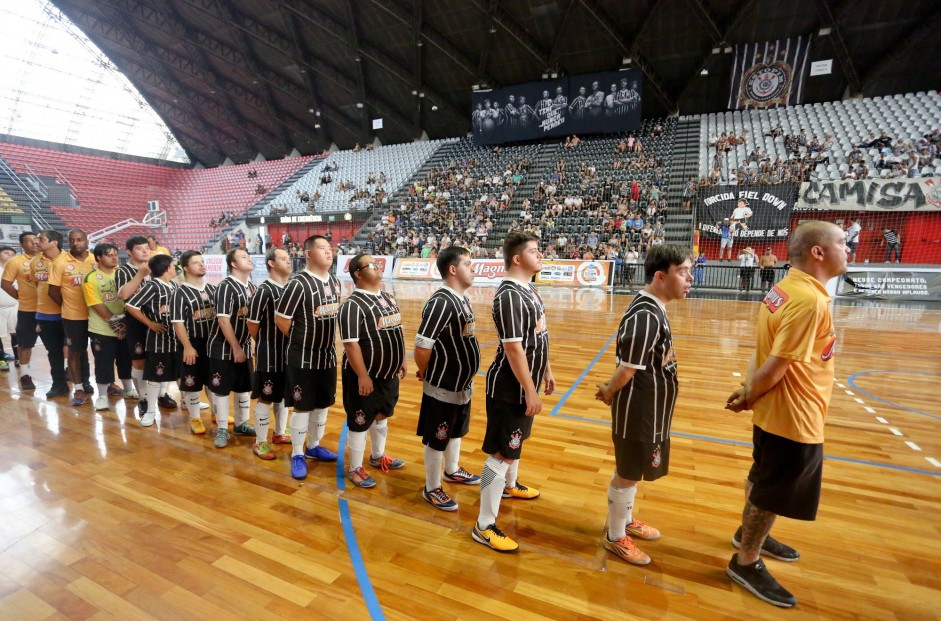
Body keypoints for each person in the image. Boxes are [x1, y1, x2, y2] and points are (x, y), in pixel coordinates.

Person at [724, 221, 849, 608]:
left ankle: (749, 532)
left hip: (774, 408)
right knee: (772, 489)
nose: (849, 248)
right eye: (842, 243)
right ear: (818, 252)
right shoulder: (809, 301)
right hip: (794, 414)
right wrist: (750, 395)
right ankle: (746, 560)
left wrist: (750, 391)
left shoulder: (784, 289)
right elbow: (776, 364)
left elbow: (759, 351)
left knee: (762, 476)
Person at [595, 245, 692, 565]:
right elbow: (627, 368)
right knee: (628, 471)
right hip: (638, 411)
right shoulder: (645, 314)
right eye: (682, 272)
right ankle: (614, 537)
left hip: (651, 409)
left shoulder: (654, 308)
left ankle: (623, 519)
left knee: (632, 471)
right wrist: (609, 391)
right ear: (661, 276)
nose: (690, 278)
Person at [472, 231, 555, 553]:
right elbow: (513, 348)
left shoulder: (529, 290)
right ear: (518, 258)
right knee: (502, 452)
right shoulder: (509, 295)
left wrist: (546, 369)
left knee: (516, 442)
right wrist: (530, 390)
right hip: (510, 388)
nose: (541, 255)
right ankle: (484, 524)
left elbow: (539, 337)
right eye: (535, 251)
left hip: (526, 383)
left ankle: (509, 486)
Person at [413, 246, 482, 512]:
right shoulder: (441, 301)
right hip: (443, 386)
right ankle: (431, 488)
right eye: (467, 263)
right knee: (437, 436)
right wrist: (428, 372)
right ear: (453, 269)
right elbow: (422, 346)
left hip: (461, 385)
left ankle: (451, 470)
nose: (473, 268)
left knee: (456, 430)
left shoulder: (462, 299)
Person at [275, 235, 341, 480]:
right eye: (322, 248)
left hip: (328, 356)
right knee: (303, 407)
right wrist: (302, 340)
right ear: (309, 254)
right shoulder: (298, 283)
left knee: (323, 404)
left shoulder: (335, 282)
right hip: (302, 358)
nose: (329, 252)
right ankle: (296, 454)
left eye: (330, 248)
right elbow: (281, 318)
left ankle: (313, 446)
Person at [339, 253, 407, 489]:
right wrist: (363, 375)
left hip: (388, 374)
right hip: (365, 376)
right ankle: (355, 468)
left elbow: (397, 329)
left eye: (378, 263)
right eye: (372, 265)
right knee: (360, 420)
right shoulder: (352, 305)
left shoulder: (387, 297)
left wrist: (401, 359)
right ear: (358, 273)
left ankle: (378, 456)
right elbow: (350, 344)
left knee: (382, 414)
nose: (378, 267)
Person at [206, 248, 257, 448]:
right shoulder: (226, 286)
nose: (249, 259)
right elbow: (223, 321)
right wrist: (236, 347)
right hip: (222, 347)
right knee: (222, 390)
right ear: (233, 264)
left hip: (243, 346)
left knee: (243, 387)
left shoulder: (252, 286)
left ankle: (241, 424)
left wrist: (250, 343)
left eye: (249, 256)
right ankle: (222, 429)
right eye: (244, 257)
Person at [247, 247, 292, 460]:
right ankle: (260, 441)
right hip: (269, 354)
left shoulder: (291, 288)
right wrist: (264, 344)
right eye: (283, 258)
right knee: (266, 397)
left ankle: (280, 433)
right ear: (271, 264)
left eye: (289, 258)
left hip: (289, 354)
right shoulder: (264, 290)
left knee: (283, 394)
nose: (289, 261)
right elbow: (252, 324)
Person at [125, 254, 179, 427]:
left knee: (179, 372)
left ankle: (187, 400)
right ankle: (150, 411)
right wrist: (150, 323)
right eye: (173, 265)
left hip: (175, 338)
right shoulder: (153, 286)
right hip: (158, 339)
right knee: (156, 376)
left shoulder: (172, 285)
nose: (175, 268)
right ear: (166, 268)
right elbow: (131, 305)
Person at [170, 250, 217, 435]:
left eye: (203, 261)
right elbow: (178, 323)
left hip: (213, 343)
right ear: (186, 268)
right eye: (197, 262)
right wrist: (188, 347)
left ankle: (216, 413)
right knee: (192, 383)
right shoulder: (179, 293)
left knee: (214, 381)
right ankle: (195, 418)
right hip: (192, 344)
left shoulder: (212, 289)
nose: (202, 265)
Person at [49, 229, 96, 406]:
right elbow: (52, 291)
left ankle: (104, 384)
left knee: (101, 352)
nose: (75, 243)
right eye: (71, 240)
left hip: (97, 316)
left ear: (87, 241)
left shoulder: (96, 260)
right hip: (73, 317)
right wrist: (68, 304)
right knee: (75, 352)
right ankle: (78, 388)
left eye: (79, 239)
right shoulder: (59, 262)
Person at [83, 243, 132, 412]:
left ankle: (128, 389)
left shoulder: (122, 274)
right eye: (109, 254)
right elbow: (97, 304)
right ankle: (102, 396)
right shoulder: (91, 278)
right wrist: (116, 325)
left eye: (116, 254)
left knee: (126, 360)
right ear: (98, 257)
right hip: (101, 329)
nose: (114, 257)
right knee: (104, 362)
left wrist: (124, 324)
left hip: (124, 326)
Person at [31, 230, 69, 398]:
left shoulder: (69, 259)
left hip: (70, 315)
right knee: (54, 352)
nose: (36, 241)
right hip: (45, 315)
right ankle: (59, 385)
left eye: (41, 239)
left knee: (76, 351)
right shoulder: (34, 262)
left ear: (54, 243)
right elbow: (36, 285)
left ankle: (84, 384)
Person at [1, 232, 39, 387]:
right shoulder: (16, 262)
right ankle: (24, 375)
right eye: (28, 241)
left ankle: (63, 371)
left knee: (59, 343)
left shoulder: (49, 260)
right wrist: (20, 297)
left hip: (49, 310)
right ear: (22, 245)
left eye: (35, 240)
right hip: (25, 309)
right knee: (24, 342)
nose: (33, 243)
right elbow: (6, 284)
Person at [0, 246, 19, 371]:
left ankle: (18, 358)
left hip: (14, 306)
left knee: (16, 333)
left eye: (12, 254)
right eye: (6, 253)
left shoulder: (16, 269)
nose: (10, 255)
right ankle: (2, 360)